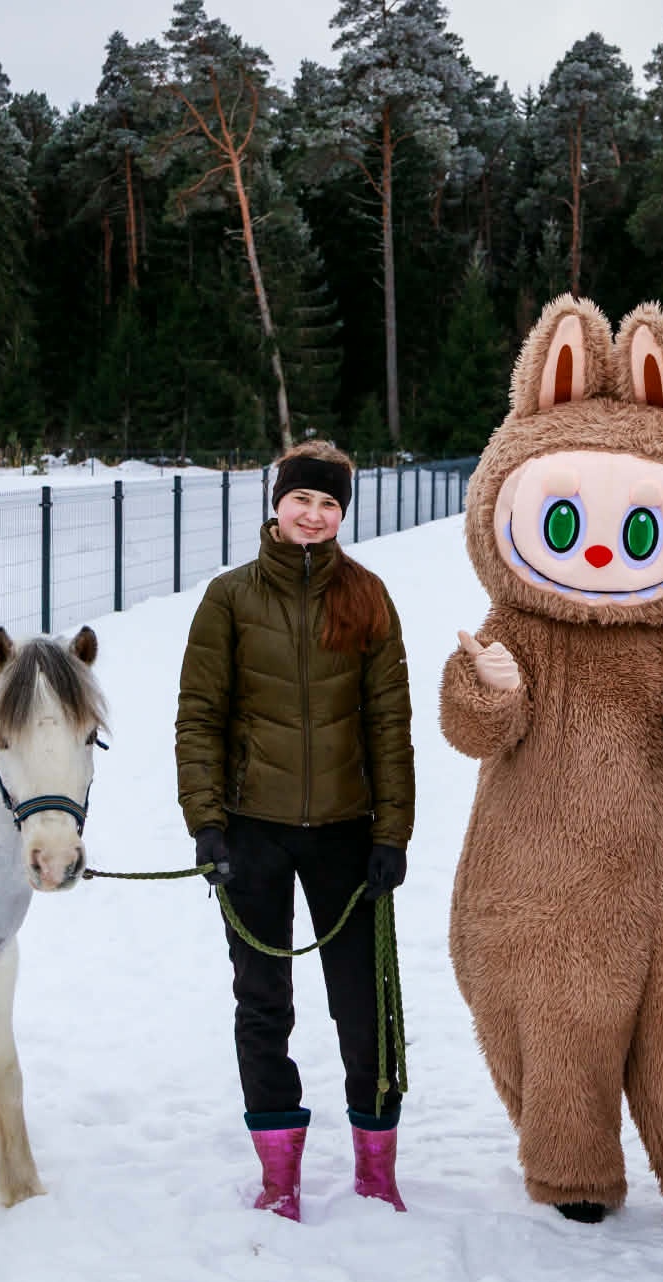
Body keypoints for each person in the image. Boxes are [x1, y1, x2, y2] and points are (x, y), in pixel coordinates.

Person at [175, 441, 416, 1222]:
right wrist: (207, 823)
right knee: (263, 1002)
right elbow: (199, 717)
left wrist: (392, 834)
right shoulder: (229, 599)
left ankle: (375, 1168)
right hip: (253, 833)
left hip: (347, 833)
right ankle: (279, 1175)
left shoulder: (368, 597)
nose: (314, 515)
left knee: (365, 1004)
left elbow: (389, 724)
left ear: (343, 513)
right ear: (277, 502)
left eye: (330, 504)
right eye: (302, 499)